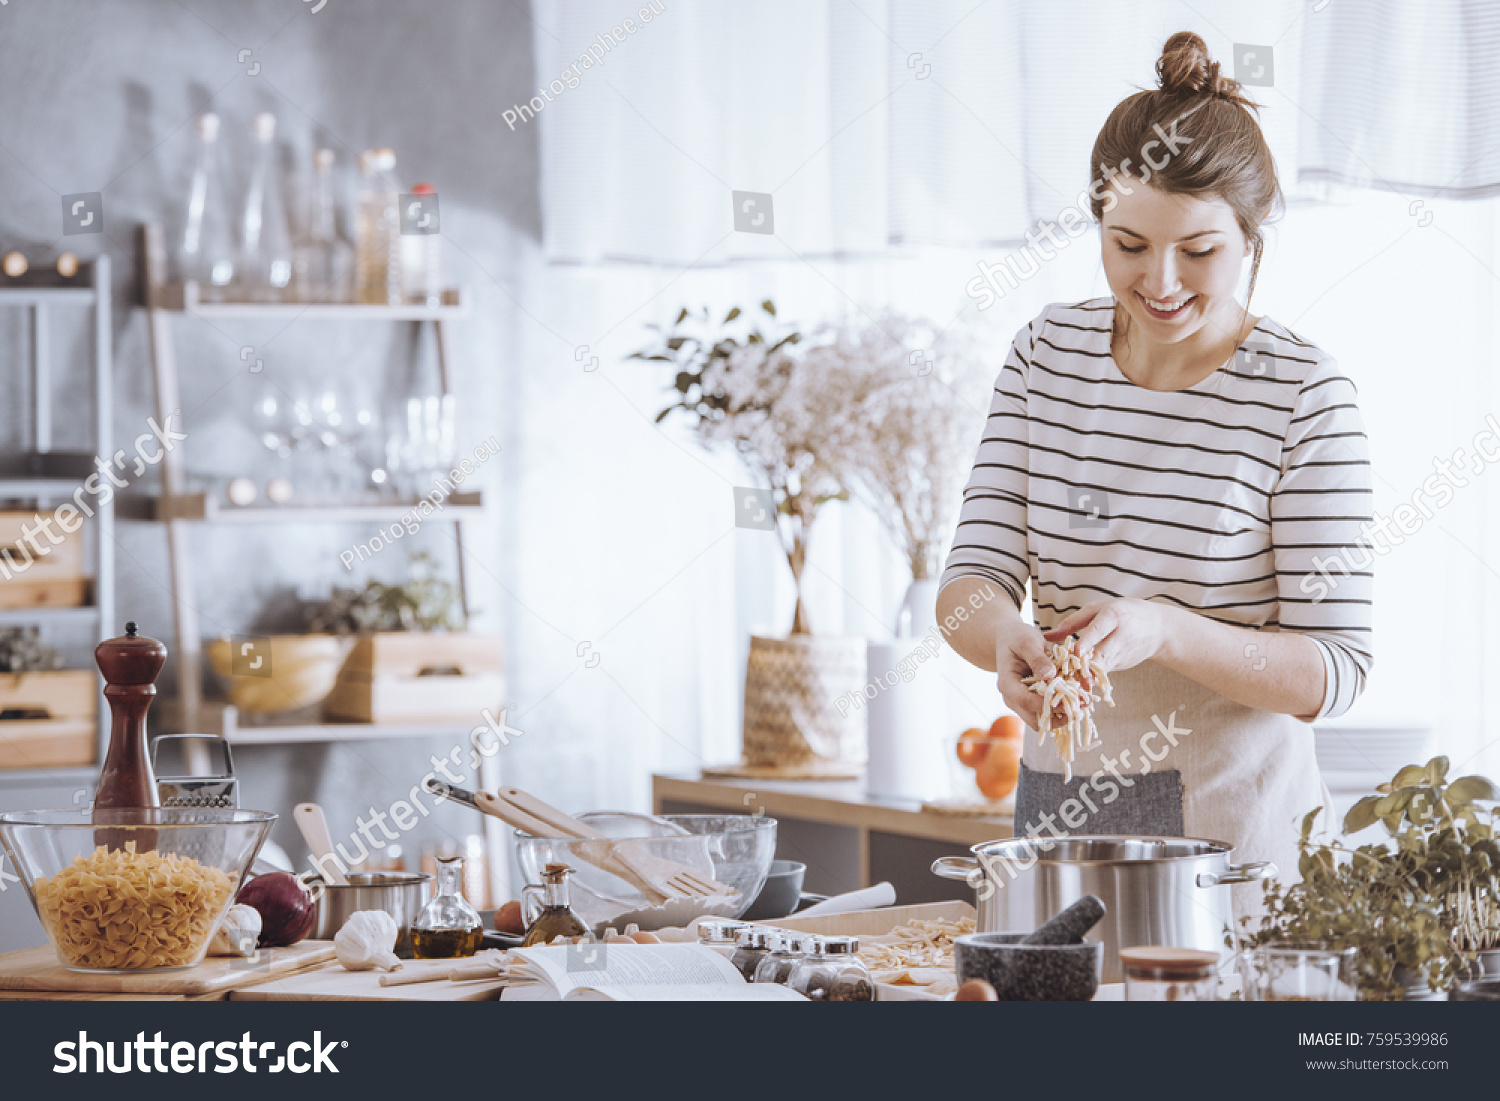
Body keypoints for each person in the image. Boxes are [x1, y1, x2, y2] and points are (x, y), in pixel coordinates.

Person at [937, 32, 1373, 911]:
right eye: (1127, 243)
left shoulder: (1303, 392)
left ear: (1250, 236)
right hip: (1067, 826)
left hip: (1239, 856)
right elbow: (966, 587)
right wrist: (1004, 641)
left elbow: (1335, 670)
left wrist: (1165, 629)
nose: (1161, 280)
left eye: (1199, 251)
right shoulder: (1045, 355)